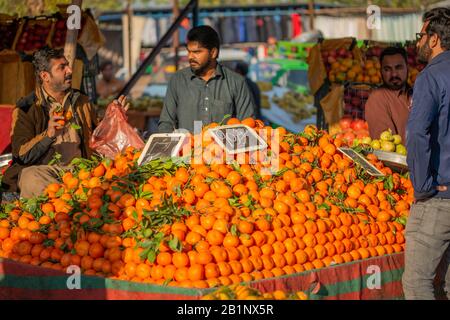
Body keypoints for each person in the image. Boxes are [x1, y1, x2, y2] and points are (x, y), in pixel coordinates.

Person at [1, 47, 129, 198]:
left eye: (67, 65)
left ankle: (72, 200)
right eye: (62, 68)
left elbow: (98, 136)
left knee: (122, 172)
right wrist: (48, 135)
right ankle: (65, 203)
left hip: (80, 171)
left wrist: (113, 119)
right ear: (45, 76)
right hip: (46, 173)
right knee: (30, 176)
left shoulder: (81, 100)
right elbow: (21, 155)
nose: (69, 70)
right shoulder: (26, 108)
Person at [403, 7, 450, 300]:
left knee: (416, 284)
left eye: (420, 36)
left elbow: (417, 134)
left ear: (433, 39)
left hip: (440, 197)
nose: (418, 42)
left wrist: (422, 188)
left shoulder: (430, 78)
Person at [158, 26, 256, 133]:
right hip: (187, 148)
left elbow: (248, 125)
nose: (190, 57)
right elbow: (166, 124)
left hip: (223, 149)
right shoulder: (177, 81)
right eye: (189, 51)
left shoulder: (236, 82)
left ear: (213, 53)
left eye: (197, 52)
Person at [365, 47, 412, 143]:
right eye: (387, 69)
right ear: (381, 71)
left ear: (407, 68)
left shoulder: (416, 94)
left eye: (399, 67)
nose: (394, 74)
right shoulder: (377, 99)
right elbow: (387, 146)